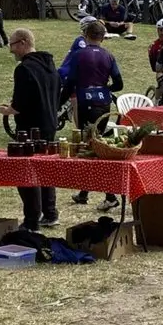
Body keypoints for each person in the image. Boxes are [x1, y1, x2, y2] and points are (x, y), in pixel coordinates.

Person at [0, 28, 62, 232]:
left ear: (23, 43)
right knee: (46, 170)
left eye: (13, 45)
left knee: (27, 172)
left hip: (29, 129)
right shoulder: (51, 67)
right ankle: (50, 213)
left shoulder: (24, 69)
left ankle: (31, 220)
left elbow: (19, 104)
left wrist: (7, 110)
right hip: (50, 124)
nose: (11, 51)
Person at [63, 20, 124, 210]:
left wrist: (58, 102)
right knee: (94, 146)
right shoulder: (109, 56)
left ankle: (110, 195)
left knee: (91, 149)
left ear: (86, 35)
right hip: (103, 103)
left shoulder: (79, 55)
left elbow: (70, 81)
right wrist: (106, 89)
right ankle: (84, 192)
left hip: (85, 102)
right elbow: (119, 83)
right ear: (102, 38)